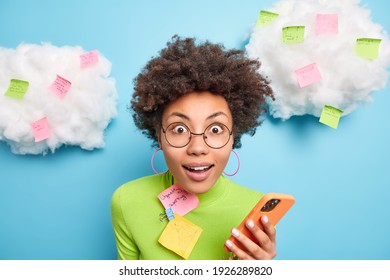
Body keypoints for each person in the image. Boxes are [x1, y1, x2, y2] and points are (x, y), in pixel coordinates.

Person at [111, 35, 275, 260]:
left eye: (215, 129)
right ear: (159, 135)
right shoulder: (127, 200)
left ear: (233, 136)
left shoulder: (255, 211)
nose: (197, 148)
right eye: (179, 129)